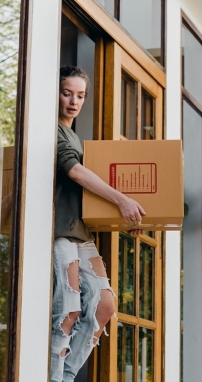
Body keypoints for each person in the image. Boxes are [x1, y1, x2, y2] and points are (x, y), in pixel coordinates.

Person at [51, 66, 146, 382]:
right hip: (60, 231)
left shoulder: (77, 137)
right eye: (67, 93)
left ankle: (64, 376)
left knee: (104, 304)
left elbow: (89, 195)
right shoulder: (52, 130)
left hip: (82, 232)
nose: (73, 102)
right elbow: (75, 173)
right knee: (69, 309)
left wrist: (125, 217)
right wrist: (122, 200)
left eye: (80, 95)